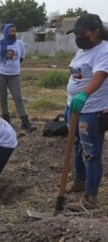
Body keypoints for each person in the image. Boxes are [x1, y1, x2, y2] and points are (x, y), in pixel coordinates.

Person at [65, 13, 108, 209]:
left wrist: (84, 94)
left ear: (96, 32)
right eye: (76, 33)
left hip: (92, 110)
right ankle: (79, 180)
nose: (78, 37)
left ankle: (91, 198)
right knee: (76, 145)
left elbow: (99, 75)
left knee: (91, 152)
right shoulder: (82, 50)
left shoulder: (104, 51)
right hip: (72, 107)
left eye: (82, 33)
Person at [0, 23, 36, 132]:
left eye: (14, 31)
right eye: (10, 31)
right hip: (0, 74)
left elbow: (21, 58)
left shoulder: (19, 44)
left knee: (18, 98)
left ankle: (25, 123)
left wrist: (13, 68)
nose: (12, 33)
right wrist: (4, 68)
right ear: (6, 32)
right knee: (3, 97)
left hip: (14, 76)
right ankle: (6, 122)